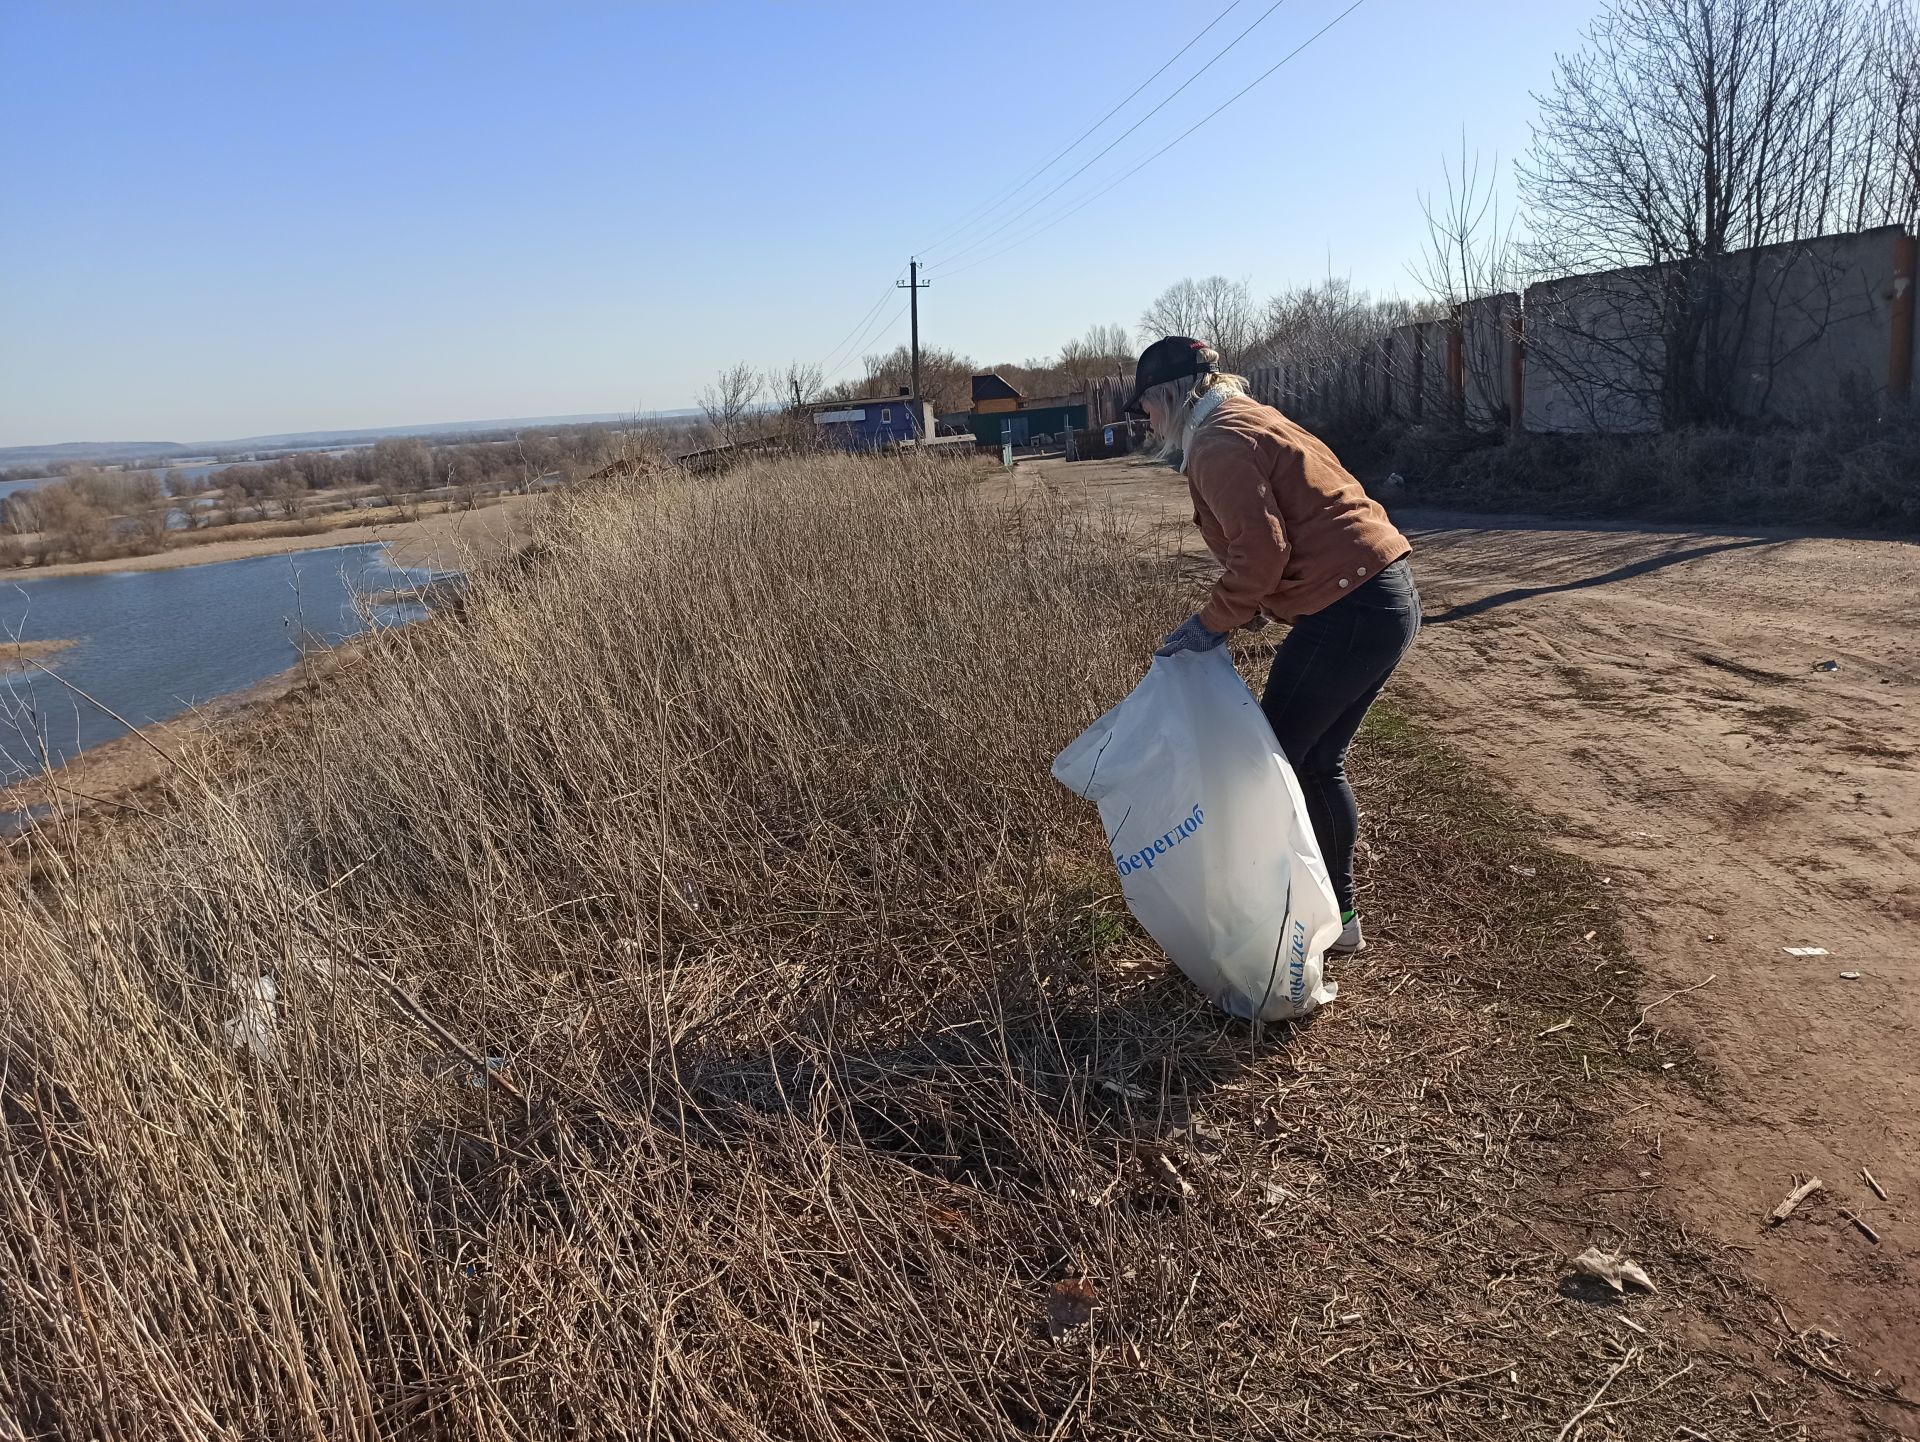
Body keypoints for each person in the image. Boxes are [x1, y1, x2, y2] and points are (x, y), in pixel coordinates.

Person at [1126, 335, 1420, 955]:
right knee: (1311, 762)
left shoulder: (1216, 443)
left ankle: (1280, 915)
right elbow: (1294, 528)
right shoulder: (1250, 419)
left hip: (1351, 608)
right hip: (1383, 595)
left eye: (1144, 408)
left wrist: (1212, 623)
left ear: (1168, 396)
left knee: (1270, 768)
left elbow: (1260, 551)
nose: (1144, 422)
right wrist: (1252, 607)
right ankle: (1336, 920)